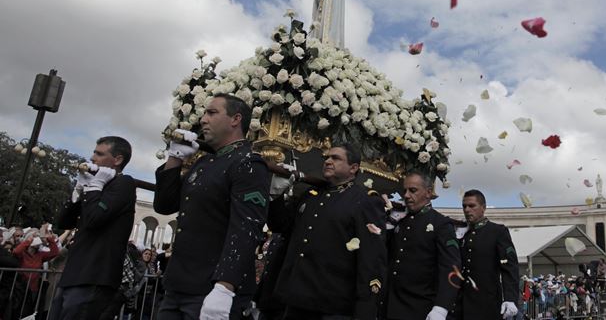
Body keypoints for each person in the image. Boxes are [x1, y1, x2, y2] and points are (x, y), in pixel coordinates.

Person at [154, 94, 270, 320]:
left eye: (212, 112)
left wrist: (225, 286)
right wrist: (174, 158)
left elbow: (246, 229)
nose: (203, 119)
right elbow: (165, 205)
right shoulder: (204, 162)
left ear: (235, 119)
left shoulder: (248, 163)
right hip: (178, 285)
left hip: (212, 287)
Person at [267, 143, 387, 320]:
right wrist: (276, 195)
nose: (328, 161)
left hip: (334, 305)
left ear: (353, 168)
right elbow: (280, 226)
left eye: (336, 158)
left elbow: (371, 258)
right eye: (327, 158)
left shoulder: (365, 202)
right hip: (297, 300)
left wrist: (365, 309)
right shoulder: (311, 195)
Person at [53, 136, 136, 320]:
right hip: (74, 274)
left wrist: (95, 185)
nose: (92, 158)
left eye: (99, 154)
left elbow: (93, 219)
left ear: (118, 159)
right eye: (93, 152)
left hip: (94, 276)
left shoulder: (123, 184)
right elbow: (63, 222)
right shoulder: (95, 188)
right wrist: (79, 188)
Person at [383, 172, 460, 320]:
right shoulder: (399, 222)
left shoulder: (441, 224)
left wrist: (442, 307)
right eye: (404, 191)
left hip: (421, 308)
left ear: (428, 193)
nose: (406, 195)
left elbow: (451, 268)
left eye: (413, 190)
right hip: (391, 307)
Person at [455, 189, 519, 320]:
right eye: (464, 206)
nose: (467, 210)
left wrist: (510, 298)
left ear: (483, 208)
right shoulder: (459, 233)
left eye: (472, 206)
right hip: (459, 304)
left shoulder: (497, 232)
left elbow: (509, 267)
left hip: (486, 304)